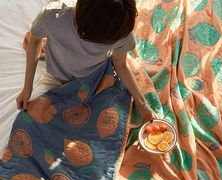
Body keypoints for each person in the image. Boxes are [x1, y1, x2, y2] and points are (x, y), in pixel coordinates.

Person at [16, 0, 157, 122]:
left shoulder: (121, 34)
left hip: (96, 78)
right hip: (56, 77)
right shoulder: (52, 16)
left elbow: (120, 65)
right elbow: (34, 41)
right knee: (32, 118)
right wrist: (27, 87)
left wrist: (142, 104)